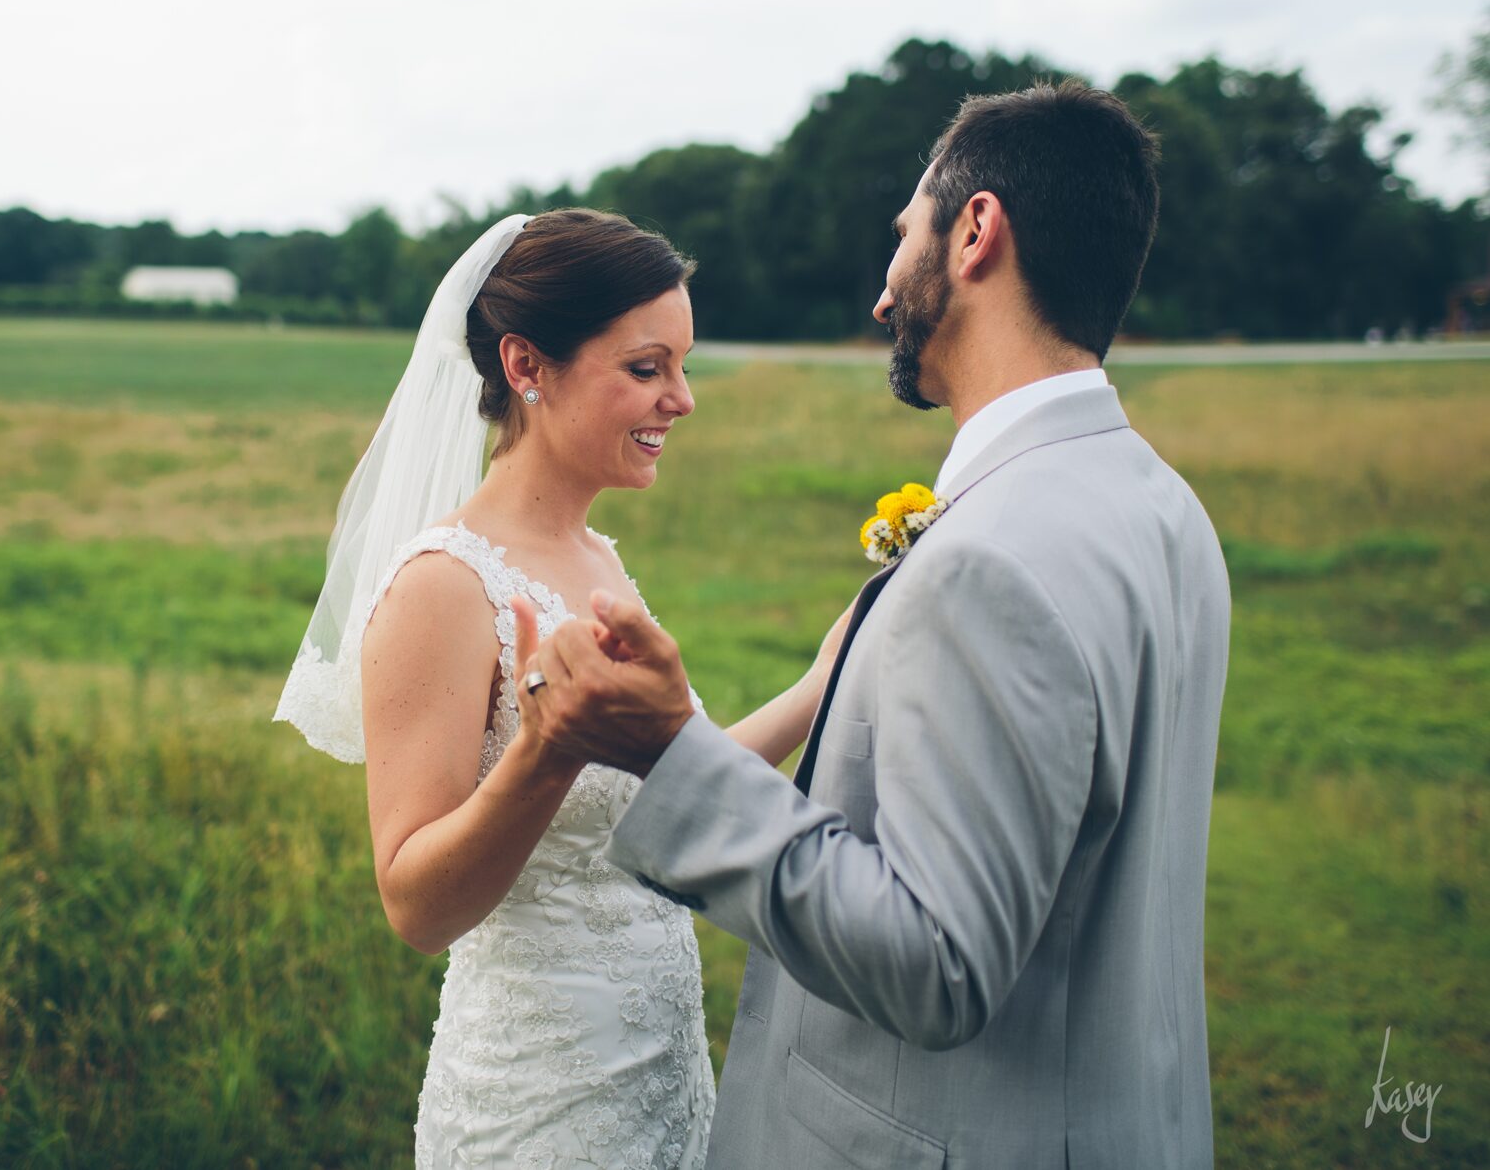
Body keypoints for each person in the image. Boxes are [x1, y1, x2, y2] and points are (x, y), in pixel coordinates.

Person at [512, 82, 1232, 1167]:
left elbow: (934, 961)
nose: (885, 293)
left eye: (905, 236)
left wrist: (671, 750)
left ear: (976, 230)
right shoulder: (1162, 505)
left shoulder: (990, 558)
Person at [275, 208, 855, 1168]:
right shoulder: (442, 585)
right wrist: (547, 751)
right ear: (526, 365)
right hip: (535, 1107)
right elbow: (416, 904)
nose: (683, 399)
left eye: (682, 364)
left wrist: (826, 676)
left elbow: (670, 779)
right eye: (646, 368)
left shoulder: (598, 558)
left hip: (660, 1082)